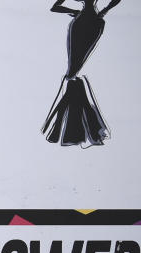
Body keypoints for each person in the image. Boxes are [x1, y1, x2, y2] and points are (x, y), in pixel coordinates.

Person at [42, 0, 121, 147]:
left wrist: (77, 12)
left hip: (82, 22)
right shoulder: (98, 21)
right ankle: (83, 128)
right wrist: (104, 11)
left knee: (73, 71)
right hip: (94, 22)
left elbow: (55, 7)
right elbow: (54, 8)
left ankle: (66, 129)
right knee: (73, 71)